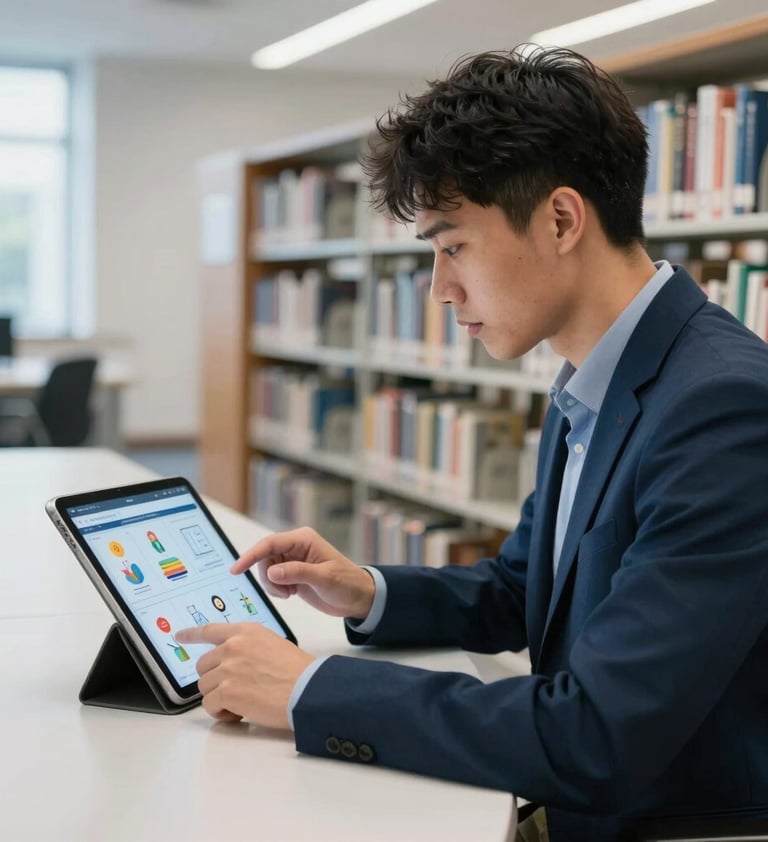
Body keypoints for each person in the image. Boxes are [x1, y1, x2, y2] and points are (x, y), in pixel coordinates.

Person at [176, 46, 768, 840]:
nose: (439, 288)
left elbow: (596, 733)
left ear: (561, 220)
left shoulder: (722, 407)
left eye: (453, 246)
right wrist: (368, 590)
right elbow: (526, 589)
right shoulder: (597, 373)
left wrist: (308, 691)